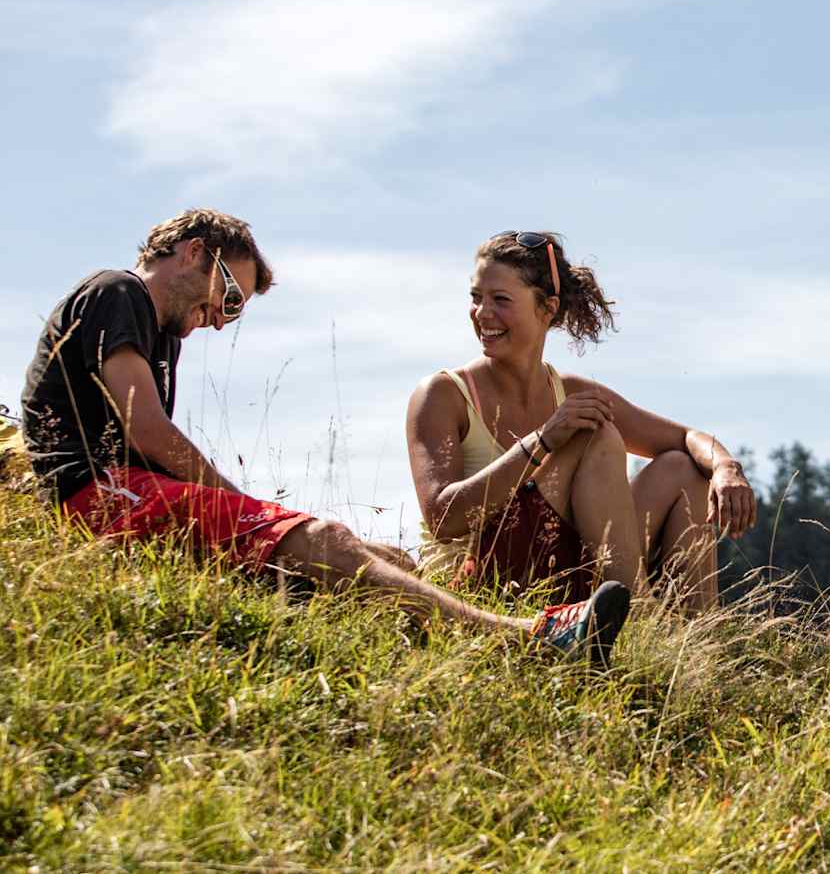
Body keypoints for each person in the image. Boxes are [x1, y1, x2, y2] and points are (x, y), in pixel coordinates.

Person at [20, 209, 629, 666]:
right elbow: (147, 429)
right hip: (96, 495)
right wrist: (253, 509)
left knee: (363, 559)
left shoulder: (158, 334)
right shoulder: (118, 292)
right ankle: (530, 638)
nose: (223, 318)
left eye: (235, 312)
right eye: (228, 295)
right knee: (322, 541)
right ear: (192, 253)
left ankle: (462, 640)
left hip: (131, 493)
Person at [406, 230, 756, 613]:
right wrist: (543, 441)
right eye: (476, 298)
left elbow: (686, 437)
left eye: (500, 300)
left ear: (547, 308)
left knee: (681, 469)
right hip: (477, 591)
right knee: (592, 432)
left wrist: (726, 467)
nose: (482, 314)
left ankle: (697, 646)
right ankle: (639, 616)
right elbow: (443, 519)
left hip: (563, 569)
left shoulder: (568, 391)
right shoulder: (444, 394)